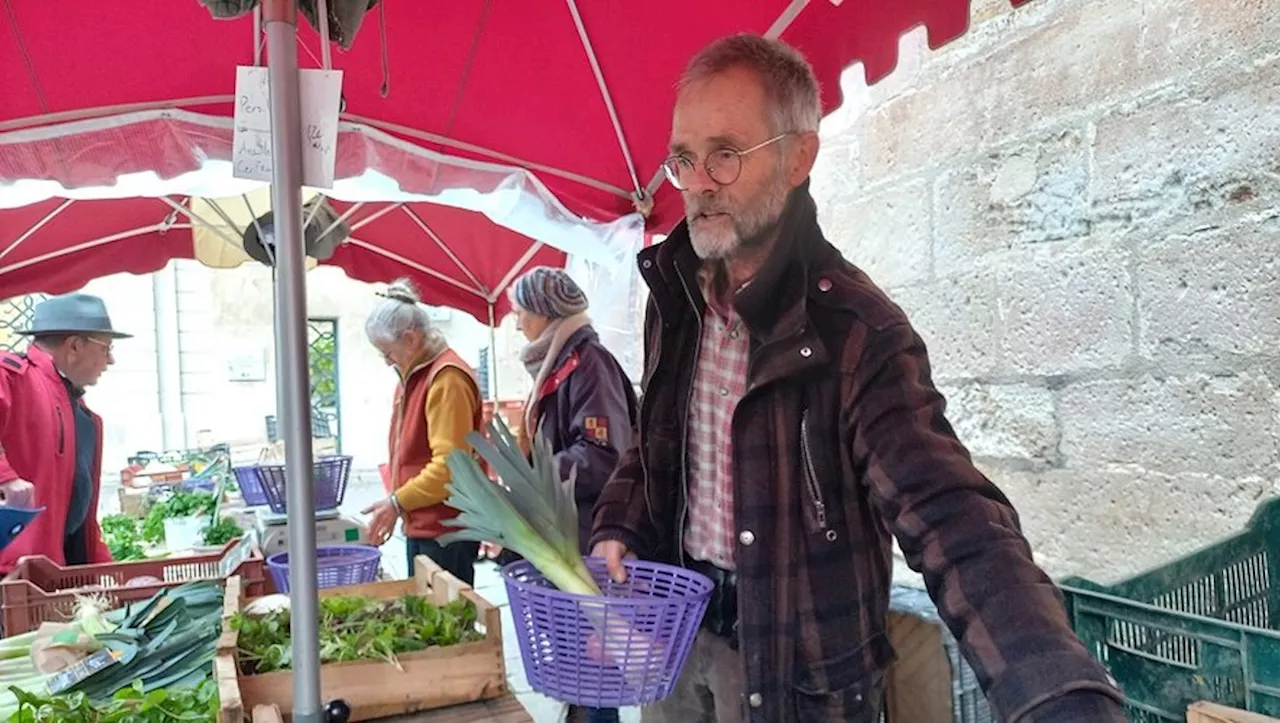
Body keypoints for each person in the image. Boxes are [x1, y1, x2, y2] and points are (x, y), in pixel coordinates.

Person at [589, 35, 1126, 723]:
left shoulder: (857, 332)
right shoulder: (675, 300)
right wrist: (621, 524)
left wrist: (1059, 693)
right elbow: (656, 444)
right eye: (683, 159)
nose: (696, 184)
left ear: (798, 156)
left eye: (724, 155)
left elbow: (952, 517)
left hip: (793, 677)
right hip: (678, 639)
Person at [507, 268, 638, 723]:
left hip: (589, 545)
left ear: (545, 313)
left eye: (521, 311)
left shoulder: (589, 364)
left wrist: (530, 476)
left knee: (594, 671)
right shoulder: (562, 365)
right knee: (579, 670)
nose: (517, 320)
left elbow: (604, 455)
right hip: (568, 542)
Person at [362, 278, 483, 586]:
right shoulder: (414, 374)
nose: (386, 360)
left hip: (447, 531)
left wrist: (397, 502)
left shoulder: (447, 379)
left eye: (387, 351)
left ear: (411, 339)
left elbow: (449, 469)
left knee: (452, 626)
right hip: (424, 524)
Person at [0, 293, 127, 572]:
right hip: (13, 572)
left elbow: (79, 509)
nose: (111, 360)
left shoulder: (80, 412)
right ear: (75, 346)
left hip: (54, 571)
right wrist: (6, 477)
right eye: (106, 348)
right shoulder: (12, 376)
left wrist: (108, 569)